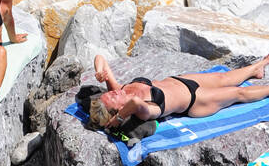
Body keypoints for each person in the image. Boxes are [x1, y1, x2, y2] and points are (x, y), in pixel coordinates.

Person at [88, 52, 269, 129]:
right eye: (112, 96)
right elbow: (134, 103)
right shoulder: (143, 111)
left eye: (109, 92)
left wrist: (99, 72)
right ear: (119, 110)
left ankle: (259, 66)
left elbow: (100, 57)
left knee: (225, 78)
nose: (113, 91)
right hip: (197, 101)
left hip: (182, 81)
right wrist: (118, 119)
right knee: (238, 93)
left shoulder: (121, 90)